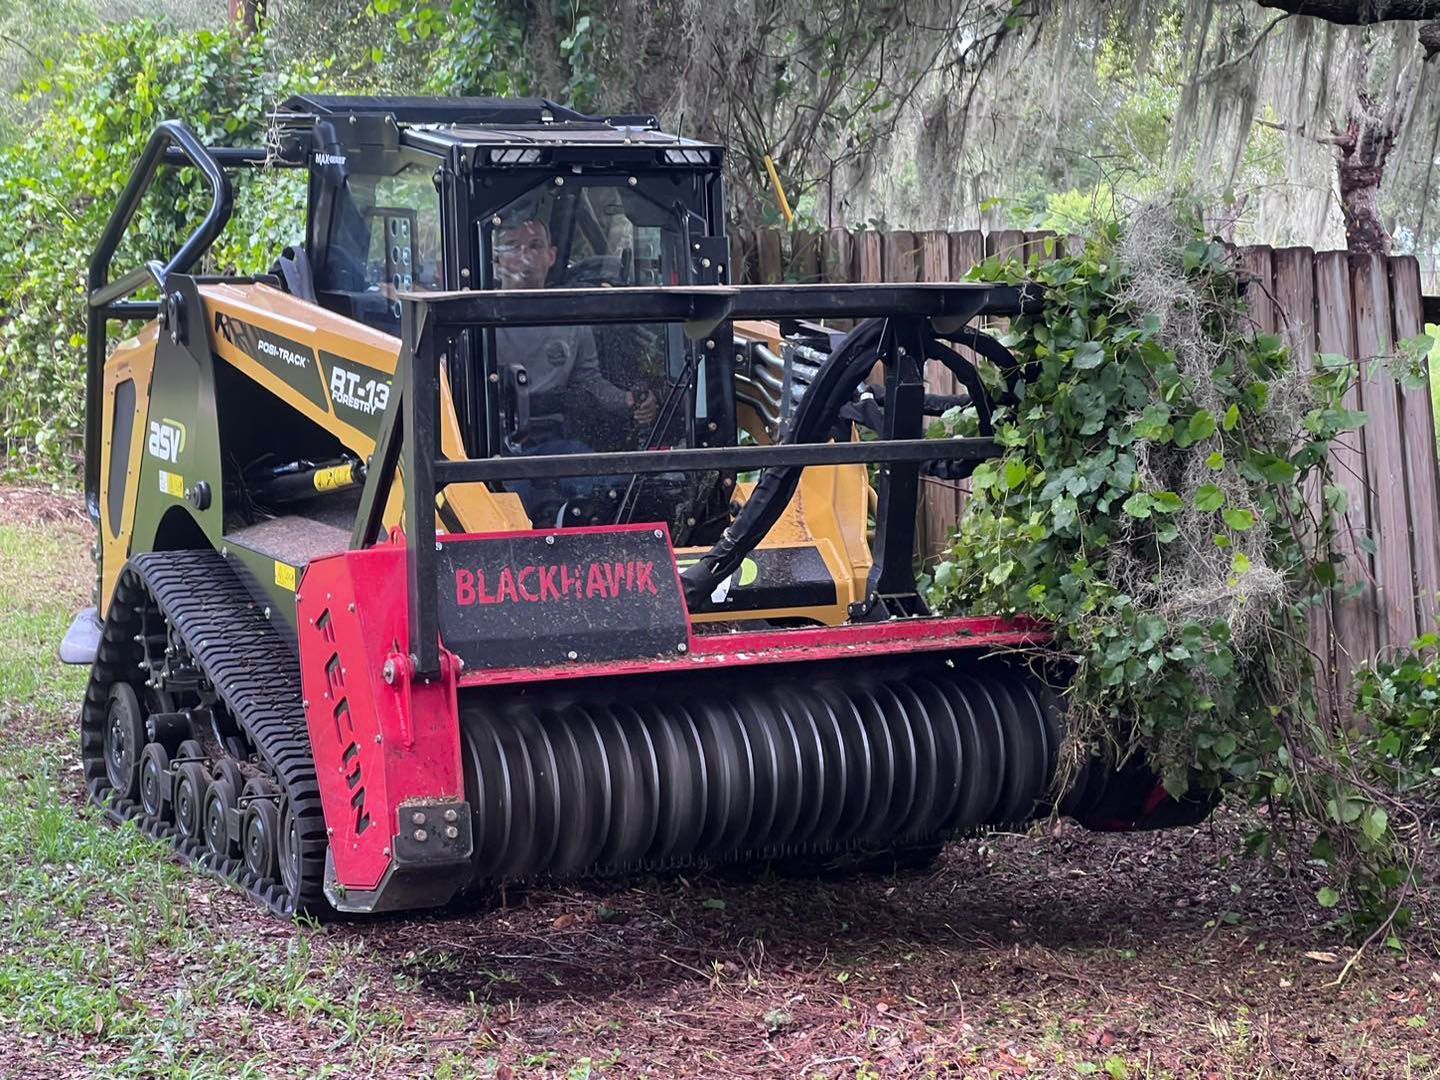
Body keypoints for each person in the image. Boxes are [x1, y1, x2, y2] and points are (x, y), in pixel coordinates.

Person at [491, 216, 658, 522]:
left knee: (608, 490)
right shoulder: (478, 320)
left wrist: (628, 400)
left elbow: (590, 380)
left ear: (551, 256)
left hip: (556, 445)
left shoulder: (570, 317)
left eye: (535, 245)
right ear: (497, 257)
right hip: (494, 448)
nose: (525, 255)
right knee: (506, 510)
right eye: (513, 246)